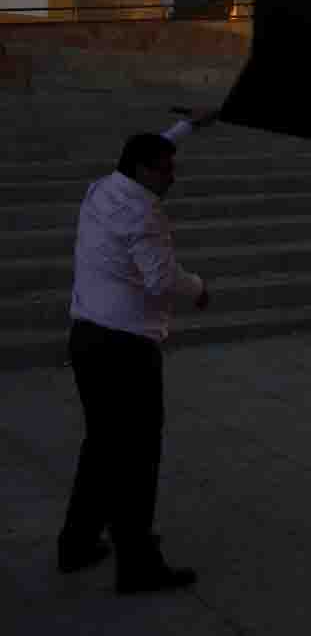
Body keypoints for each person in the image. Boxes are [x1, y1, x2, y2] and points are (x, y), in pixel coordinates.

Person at [59, 112, 216, 594]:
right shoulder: (143, 214)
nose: (172, 178)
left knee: (102, 446)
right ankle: (138, 562)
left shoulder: (104, 188)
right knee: (136, 455)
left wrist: (185, 127)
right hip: (125, 349)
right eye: (166, 170)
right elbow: (162, 279)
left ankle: (77, 542)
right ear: (145, 171)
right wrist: (199, 288)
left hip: (87, 338)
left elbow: (148, 149)